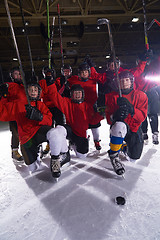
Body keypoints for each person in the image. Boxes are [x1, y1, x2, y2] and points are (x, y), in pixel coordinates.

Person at [0, 81, 69, 178]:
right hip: (27, 139)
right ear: (26, 92)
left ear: (38, 92)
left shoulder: (41, 105)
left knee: (55, 132)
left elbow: (49, 121)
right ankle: (36, 151)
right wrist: (4, 97)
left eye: (35, 90)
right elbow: (1, 113)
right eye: (30, 90)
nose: (33, 92)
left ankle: (56, 160)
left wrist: (40, 117)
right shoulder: (18, 104)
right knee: (33, 168)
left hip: (39, 133)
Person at [46, 82, 103, 177]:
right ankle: (64, 153)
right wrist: (50, 82)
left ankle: (74, 144)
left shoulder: (87, 106)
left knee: (82, 156)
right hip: (69, 130)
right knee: (59, 130)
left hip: (80, 134)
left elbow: (93, 121)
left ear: (82, 94)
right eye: (75, 93)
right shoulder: (67, 102)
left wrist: (100, 114)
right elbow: (54, 97)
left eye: (79, 93)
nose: (77, 95)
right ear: (71, 94)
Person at [105, 71, 148, 175]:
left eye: (127, 80)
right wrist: (115, 116)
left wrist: (132, 110)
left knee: (134, 157)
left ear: (131, 81)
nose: (124, 82)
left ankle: (123, 147)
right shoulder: (111, 96)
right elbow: (108, 118)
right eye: (121, 80)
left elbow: (142, 117)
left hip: (134, 127)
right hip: (119, 127)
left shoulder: (141, 95)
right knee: (119, 126)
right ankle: (114, 155)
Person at [68, 62, 104, 151]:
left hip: (92, 107)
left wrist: (92, 66)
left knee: (95, 126)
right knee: (81, 125)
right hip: (79, 107)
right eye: (82, 72)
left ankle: (97, 141)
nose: (84, 74)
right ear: (79, 73)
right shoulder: (74, 80)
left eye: (86, 72)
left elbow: (99, 76)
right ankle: (80, 139)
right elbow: (67, 80)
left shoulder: (93, 80)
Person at [0, 67, 25, 163]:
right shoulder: (9, 85)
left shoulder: (24, 86)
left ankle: (29, 149)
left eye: (20, 73)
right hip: (14, 114)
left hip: (25, 113)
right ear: (12, 76)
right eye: (15, 73)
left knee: (26, 132)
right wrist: (3, 92)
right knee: (16, 133)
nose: (18, 75)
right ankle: (14, 151)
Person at [135, 56, 160, 144]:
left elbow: (157, 81)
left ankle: (155, 133)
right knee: (143, 115)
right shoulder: (137, 72)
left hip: (151, 93)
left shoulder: (152, 71)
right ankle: (144, 133)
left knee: (153, 114)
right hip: (140, 95)